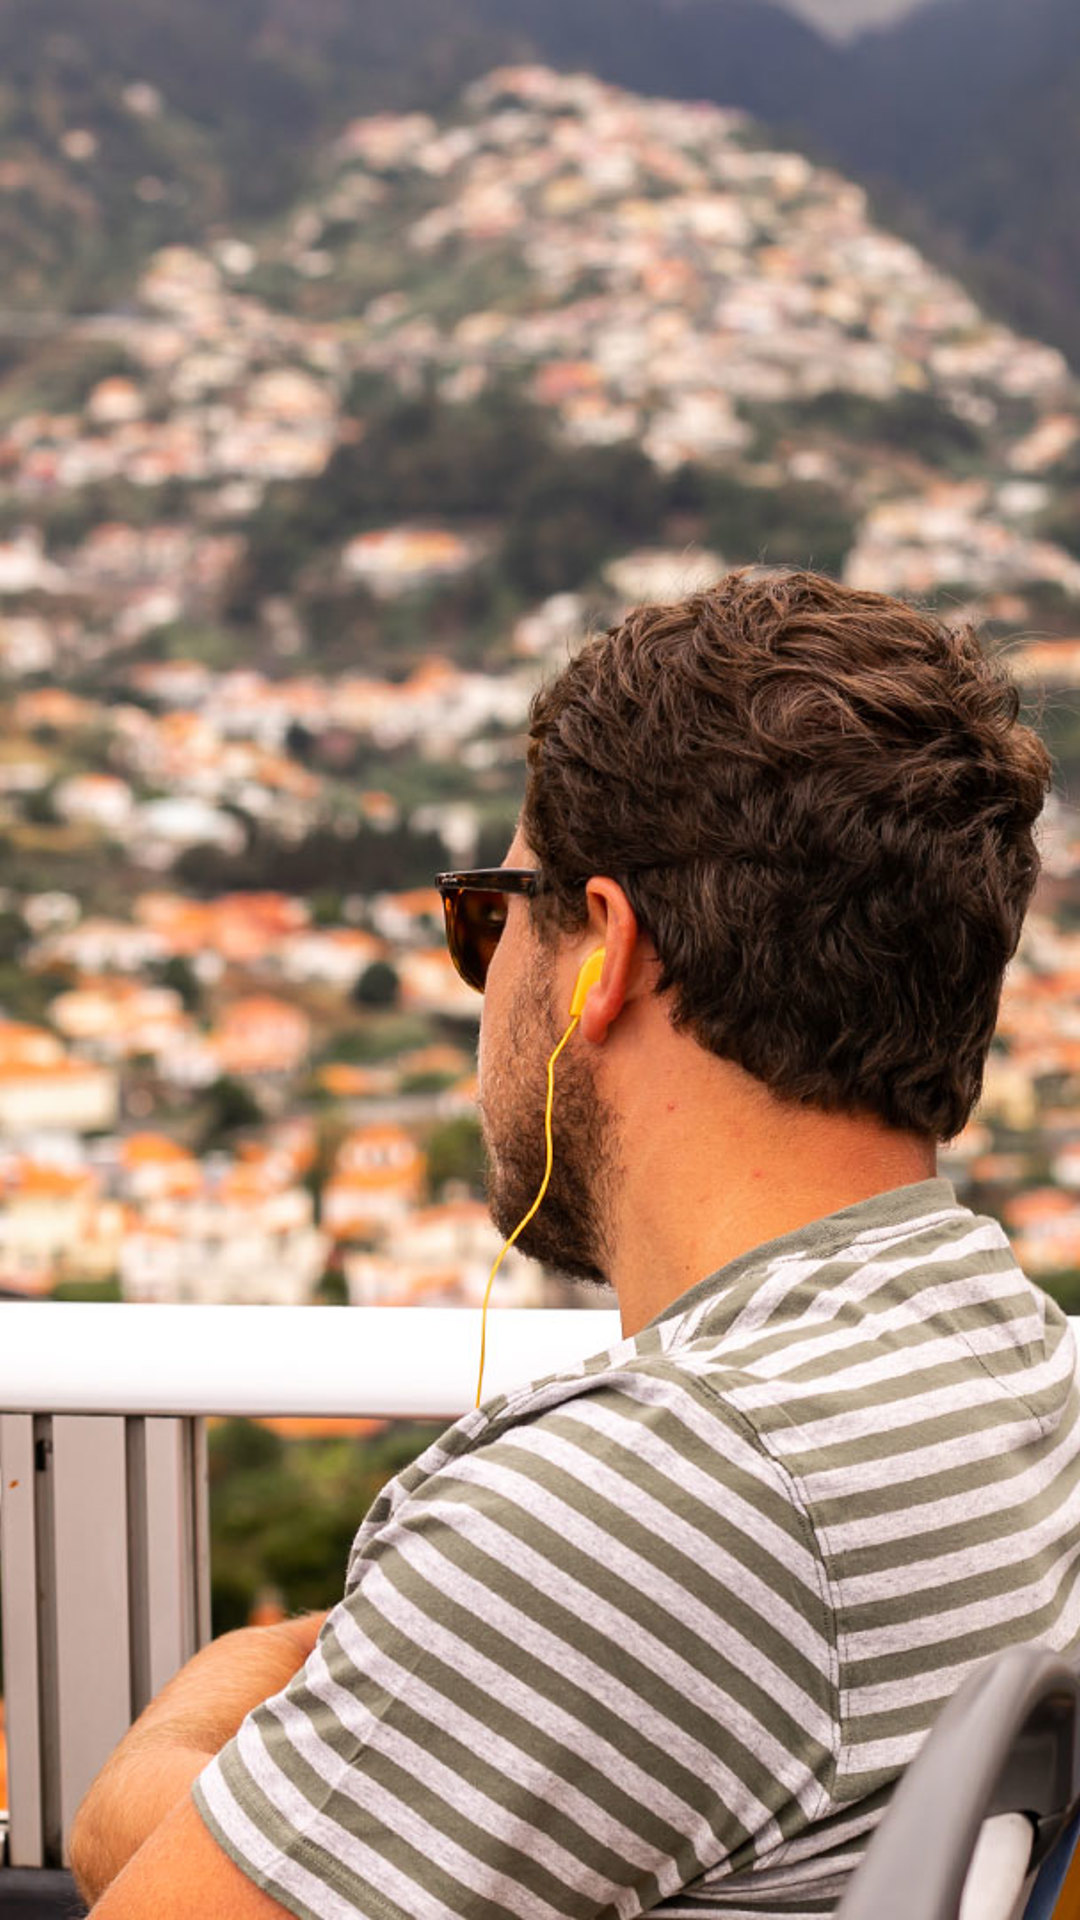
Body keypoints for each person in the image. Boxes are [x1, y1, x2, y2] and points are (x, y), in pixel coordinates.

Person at [72, 568, 1079, 1920]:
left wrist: (185, 1725)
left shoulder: (643, 1512)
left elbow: (135, 1879)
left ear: (605, 950)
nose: (484, 979)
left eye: (490, 917)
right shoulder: (1038, 1389)